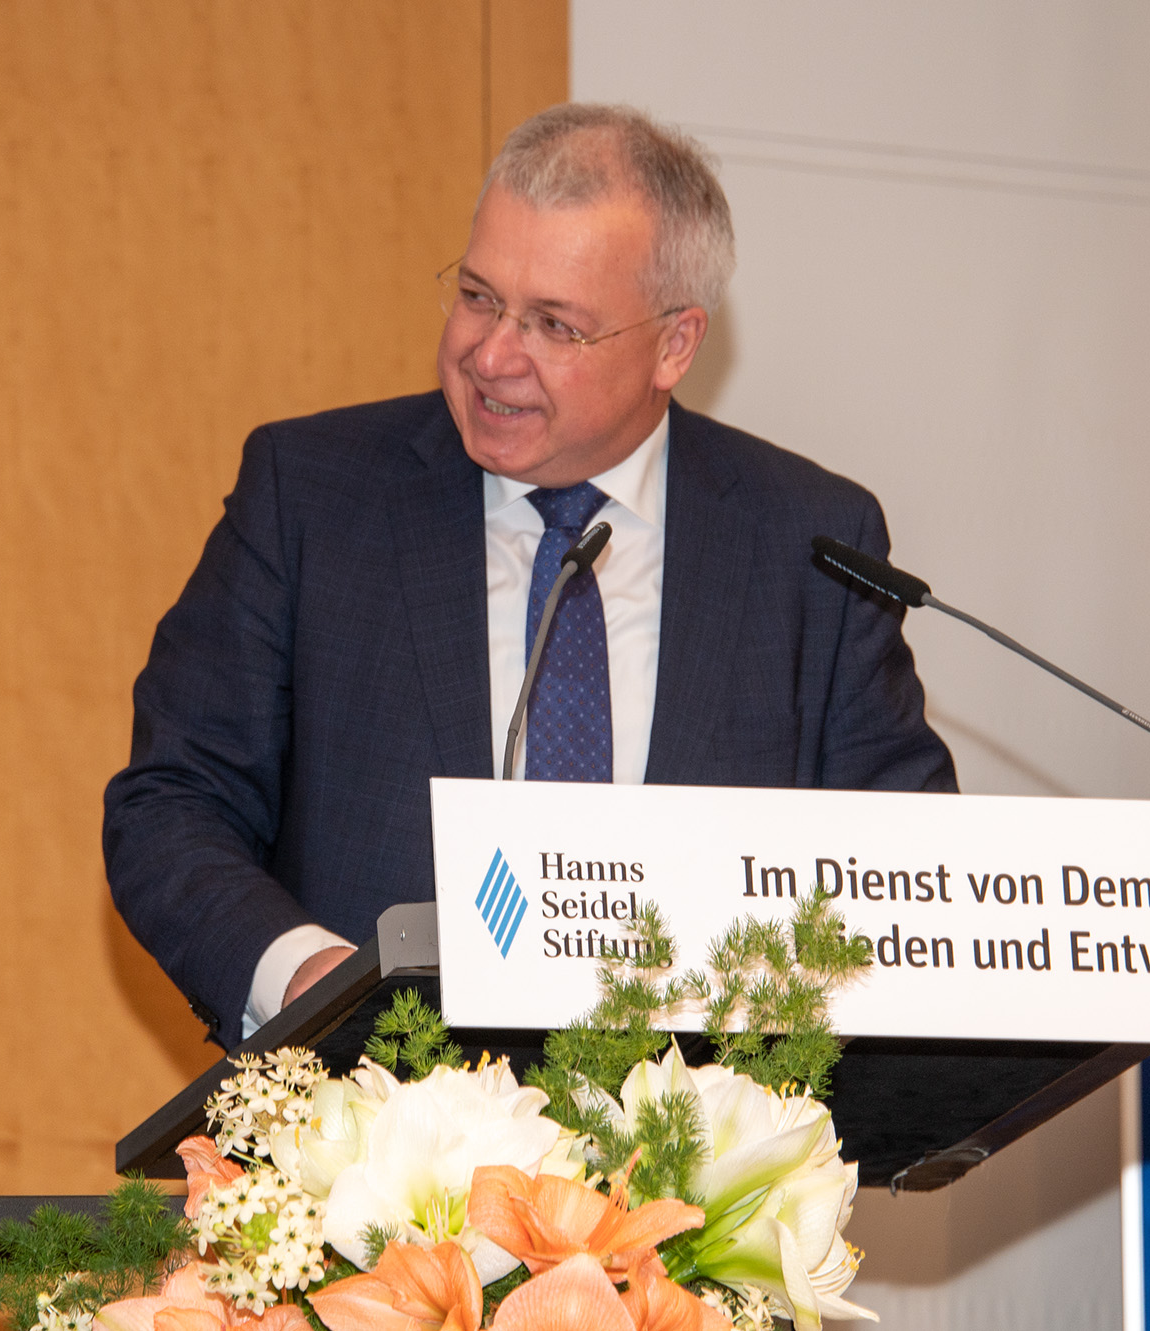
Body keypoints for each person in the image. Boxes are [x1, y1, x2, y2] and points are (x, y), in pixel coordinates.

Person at [103, 104, 955, 1048]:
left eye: (554, 324)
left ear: (675, 345)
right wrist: (309, 981)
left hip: (702, 1125)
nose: (491, 353)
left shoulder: (810, 544)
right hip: (376, 1116)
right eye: (478, 296)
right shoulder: (311, 498)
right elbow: (170, 802)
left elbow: (906, 875)